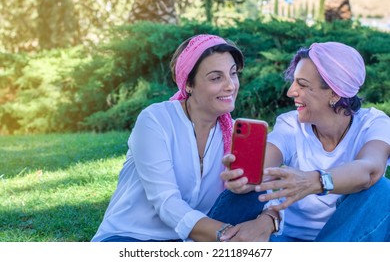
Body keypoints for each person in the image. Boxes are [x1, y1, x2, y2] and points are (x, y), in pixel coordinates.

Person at [91, 34, 279, 242]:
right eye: (216, 78)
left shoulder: (236, 134)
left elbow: (267, 194)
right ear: (188, 84)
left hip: (196, 240)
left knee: (250, 187)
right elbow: (166, 202)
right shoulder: (155, 120)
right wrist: (227, 236)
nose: (230, 86)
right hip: (133, 237)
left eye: (233, 74)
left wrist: (268, 221)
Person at [220, 41, 390, 242]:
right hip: (286, 238)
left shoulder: (374, 124)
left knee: (381, 190)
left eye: (302, 84)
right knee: (244, 193)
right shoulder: (290, 125)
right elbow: (265, 163)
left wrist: (314, 181)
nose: (291, 91)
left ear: (335, 93)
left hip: (345, 238)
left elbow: (369, 170)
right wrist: (245, 178)